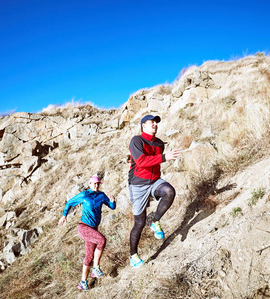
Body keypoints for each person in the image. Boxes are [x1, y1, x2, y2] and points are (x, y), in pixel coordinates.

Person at [128, 115, 181, 268]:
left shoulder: (158, 143)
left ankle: (155, 220)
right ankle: (133, 255)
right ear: (143, 126)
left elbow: (156, 162)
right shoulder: (136, 141)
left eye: (156, 123)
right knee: (139, 222)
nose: (155, 125)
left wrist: (163, 157)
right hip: (138, 184)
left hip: (154, 181)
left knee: (169, 192)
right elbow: (142, 161)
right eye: (151, 122)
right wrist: (164, 157)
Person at [58, 175, 116, 291]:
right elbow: (70, 202)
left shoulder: (101, 195)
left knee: (89, 256)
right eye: (94, 183)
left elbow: (112, 207)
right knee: (102, 240)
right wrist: (64, 215)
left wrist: (113, 201)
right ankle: (96, 268)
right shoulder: (84, 195)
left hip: (94, 229)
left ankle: (83, 282)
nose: (96, 185)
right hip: (84, 227)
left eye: (98, 183)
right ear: (89, 184)